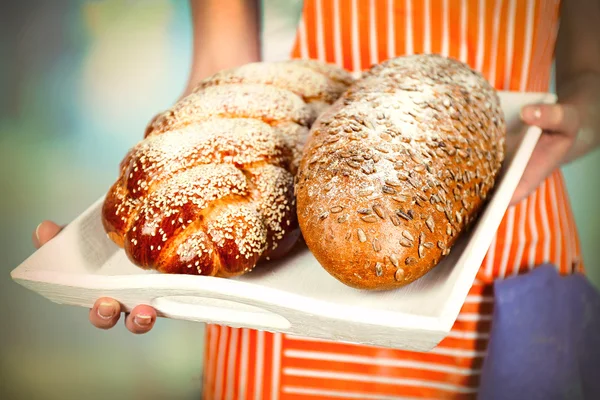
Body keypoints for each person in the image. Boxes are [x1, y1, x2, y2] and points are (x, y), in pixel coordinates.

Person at [33, 0, 600, 398]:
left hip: (507, 211)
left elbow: (590, 75)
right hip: (290, 239)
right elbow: (224, 67)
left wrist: (574, 123)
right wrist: (168, 185)